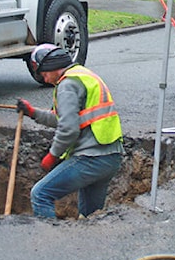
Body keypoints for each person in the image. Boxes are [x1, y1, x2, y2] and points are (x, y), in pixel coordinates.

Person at [16, 44, 123, 219]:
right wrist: (33, 113)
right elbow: (65, 119)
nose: (45, 80)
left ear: (50, 66)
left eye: (43, 74)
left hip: (90, 158)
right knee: (89, 216)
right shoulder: (83, 75)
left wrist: (53, 155)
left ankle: (51, 242)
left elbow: (68, 128)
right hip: (110, 157)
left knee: (40, 194)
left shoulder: (67, 85)